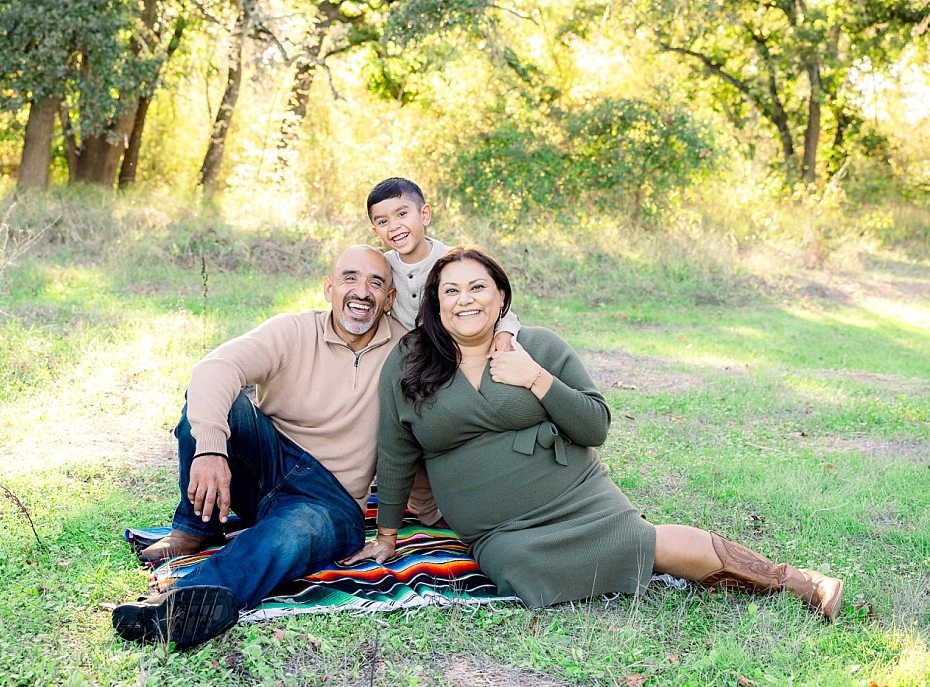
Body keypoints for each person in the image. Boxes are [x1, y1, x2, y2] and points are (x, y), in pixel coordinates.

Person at [344, 246, 842, 620]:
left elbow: (595, 425)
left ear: (501, 297)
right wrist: (386, 536)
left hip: (574, 498)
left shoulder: (539, 346)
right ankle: (660, 569)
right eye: (450, 290)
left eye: (478, 287)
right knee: (520, 573)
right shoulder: (410, 362)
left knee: (647, 542)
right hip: (499, 532)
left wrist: (536, 379)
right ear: (435, 303)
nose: (464, 300)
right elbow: (395, 451)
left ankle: (796, 582)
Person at [110, 246, 440, 652]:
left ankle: (181, 601)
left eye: (377, 282)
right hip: (268, 460)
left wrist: (430, 506)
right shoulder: (292, 332)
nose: (362, 291)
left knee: (292, 533)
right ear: (328, 287)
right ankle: (195, 528)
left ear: (390, 300)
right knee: (217, 401)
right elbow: (215, 368)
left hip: (330, 500)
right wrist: (211, 450)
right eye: (350, 278)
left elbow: (424, 430)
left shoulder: (407, 353)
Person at [365, 177, 522, 340]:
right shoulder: (383, 266)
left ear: (424, 215)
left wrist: (504, 334)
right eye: (383, 221)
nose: (394, 226)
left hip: (452, 347)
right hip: (406, 353)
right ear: (376, 231)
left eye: (402, 214)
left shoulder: (454, 261)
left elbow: (501, 308)